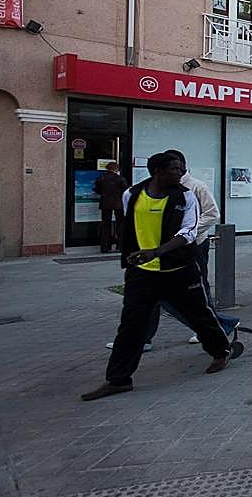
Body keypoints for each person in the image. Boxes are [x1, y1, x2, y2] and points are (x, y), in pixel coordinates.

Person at [81, 152, 233, 401]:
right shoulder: (133, 194)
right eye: (175, 169)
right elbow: (129, 225)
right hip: (142, 273)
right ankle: (118, 379)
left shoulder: (186, 196)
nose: (180, 172)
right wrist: (131, 254)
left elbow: (189, 232)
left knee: (199, 314)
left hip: (179, 269)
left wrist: (157, 251)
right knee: (131, 326)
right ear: (158, 171)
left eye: (182, 168)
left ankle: (220, 350)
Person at [103, 149, 242, 351]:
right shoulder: (145, 191)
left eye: (178, 167)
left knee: (195, 295)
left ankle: (216, 328)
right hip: (153, 255)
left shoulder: (195, 188)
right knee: (152, 300)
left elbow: (212, 214)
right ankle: (143, 338)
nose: (176, 171)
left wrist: (185, 233)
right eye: (172, 168)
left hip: (188, 248)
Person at [92, 162, 128, 253]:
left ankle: (105, 247)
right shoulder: (120, 179)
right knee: (120, 225)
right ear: (116, 169)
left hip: (105, 203)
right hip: (119, 204)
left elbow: (97, 190)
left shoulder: (101, 178)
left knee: (105, 225)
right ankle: (120, 246)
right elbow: (125, 190)